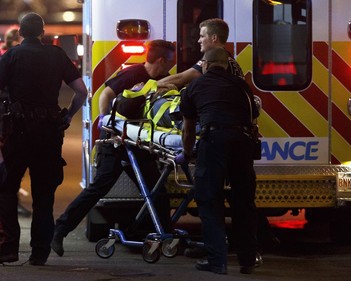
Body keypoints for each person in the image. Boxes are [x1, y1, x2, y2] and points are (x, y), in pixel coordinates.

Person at [51, 39, 176, 257]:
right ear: (161, 60)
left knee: (156, 191)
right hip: (116, 143)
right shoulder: (134, 74)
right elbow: (106, 94)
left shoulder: (162, 80)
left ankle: (162, 235)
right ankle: (60, 230)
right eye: (170, 62)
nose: (171, 67)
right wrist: (109, 124)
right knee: (97, 189)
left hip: (139, 145)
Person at [0, 12, 87, 265]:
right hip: (49, 134)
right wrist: (69, 114)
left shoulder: (11, 56)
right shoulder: (57, 55)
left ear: (20, 33)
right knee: (44, 194)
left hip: (16, 133)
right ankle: (39, 253)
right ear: (43, 32)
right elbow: (81, 91)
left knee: (6, 190)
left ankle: (8, 249)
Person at [177, 47, 259, 275]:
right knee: (243, 201)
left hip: (213, 141)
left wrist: (186, 153)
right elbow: (252, 116)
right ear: (226, 65)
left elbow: (188, 129)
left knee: (209, 200)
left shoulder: (194, 86)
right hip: (242, 142)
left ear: (204, 64)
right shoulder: (241, 86)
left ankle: (217, 261)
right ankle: (247, 261)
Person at [157, 18, 244, 90]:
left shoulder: (213, 60)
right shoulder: (230, 60)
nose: (199, 40)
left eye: (202, 36)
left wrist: (151, 86)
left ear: (214, 38)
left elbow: (181, 78)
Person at [0, 27, 32, 217]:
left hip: (8, 115)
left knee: (9, 163)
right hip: (6, 116)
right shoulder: (10, 57)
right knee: (9, 163)